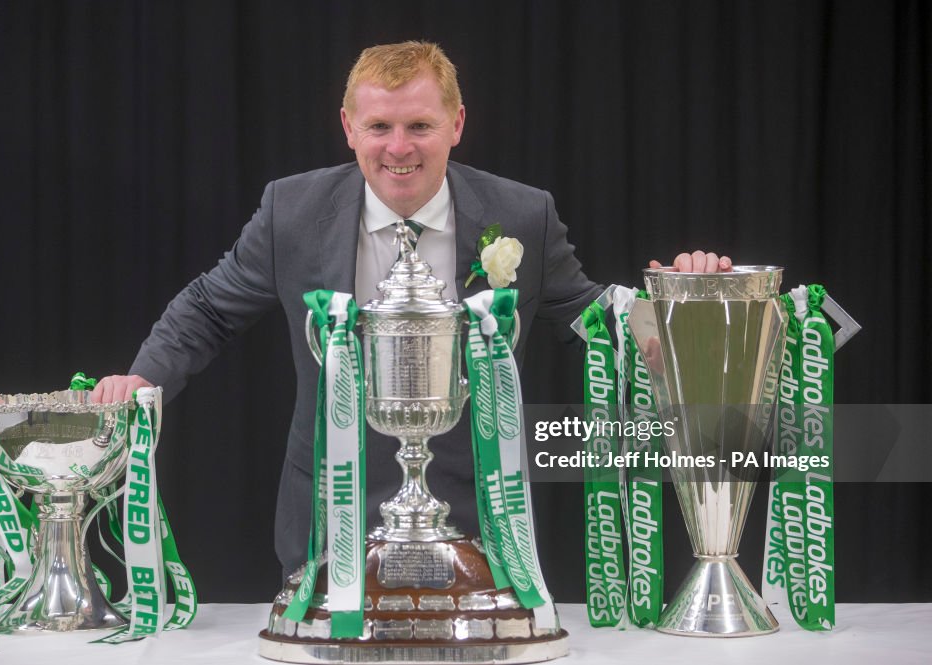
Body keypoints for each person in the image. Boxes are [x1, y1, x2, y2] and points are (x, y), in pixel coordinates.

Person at [93, 41, 730, 576]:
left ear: (456, 124)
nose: (399, 147)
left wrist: (682, 307)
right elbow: (209, 308)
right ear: (349, 128)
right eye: (379, 127)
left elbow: (586, 318)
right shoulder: (291, 211)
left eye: (419, 125)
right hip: (327, 518)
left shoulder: (523, 215)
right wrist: (142, 380)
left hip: (478, 522)